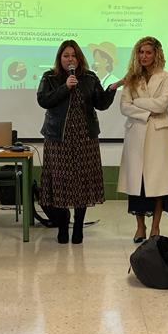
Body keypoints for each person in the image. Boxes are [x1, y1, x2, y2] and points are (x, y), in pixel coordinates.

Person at [38, 40, 122, 244]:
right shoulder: (50, 77)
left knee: (82, 184)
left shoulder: (89, 77)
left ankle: (78, 227)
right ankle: (62, 227)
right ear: (60, 58)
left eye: (74, 55)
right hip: (58, 139)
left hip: (85, 138)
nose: (70, 59)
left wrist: (111, 89)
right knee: (61, 183)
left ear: (79, 58)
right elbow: (44, 100)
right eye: (66, 56)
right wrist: (65, 87)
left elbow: (101, 104)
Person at [118, 37, 168, 242]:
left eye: (148, 52)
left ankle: (155, 227)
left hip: (158, 136)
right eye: (141, 52)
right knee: (137, 183)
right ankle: (140, 227)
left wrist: (138, 102)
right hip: (136, 133)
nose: (144, 56)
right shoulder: (131, 78)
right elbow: (124, 106)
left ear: (156, 54)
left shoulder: (166, 78)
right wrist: (146, 111)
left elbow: (162, 105)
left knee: (158, 184)